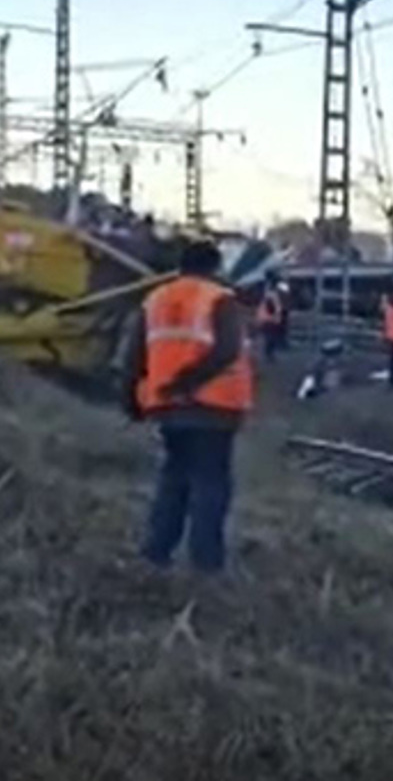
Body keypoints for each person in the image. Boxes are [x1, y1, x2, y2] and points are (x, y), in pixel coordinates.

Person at [120, 238, 253, 575]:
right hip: (215, 407)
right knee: (210, 484)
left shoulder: (155, 300)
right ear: (216, 268)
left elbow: (134, 356)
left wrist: (132, 399)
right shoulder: (219, 299)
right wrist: (188, 382)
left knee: (174, 478)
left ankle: (156, 554)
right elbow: (226, 350)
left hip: (168, 407)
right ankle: (206, 565)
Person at [255, 275, 287, 360]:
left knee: (270, 336)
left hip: (269, 317)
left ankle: (269, 353)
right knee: (270, 336)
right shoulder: (270, 293)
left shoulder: (269, 292)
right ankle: (269, 353)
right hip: (270, 317)